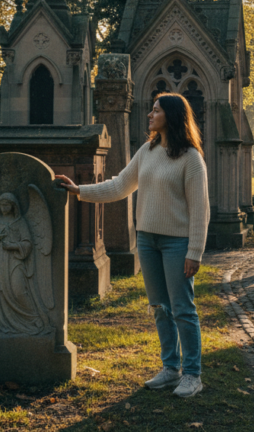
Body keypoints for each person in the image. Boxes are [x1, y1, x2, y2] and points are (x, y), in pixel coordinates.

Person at [56, 93, 209, 398]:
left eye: (156, 111)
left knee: (182, 309)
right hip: (147, 240)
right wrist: (78, 190)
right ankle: (170, 369)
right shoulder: (148, 150)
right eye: (151, 110)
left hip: (177, 243)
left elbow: (200, 209)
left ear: (172, 116)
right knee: (159, 308)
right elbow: (119, 185)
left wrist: (195, 252)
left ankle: (192, 375)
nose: (150, 115)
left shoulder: (191, 158)